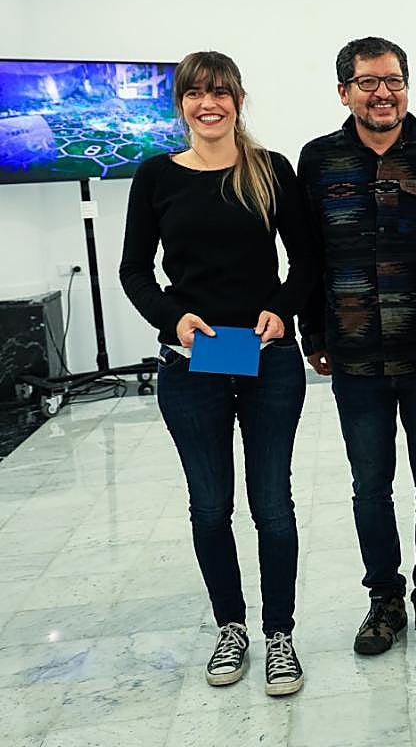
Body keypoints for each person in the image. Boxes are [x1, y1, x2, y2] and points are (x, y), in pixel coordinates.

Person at [119, 50, 315, 696]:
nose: (209, 104)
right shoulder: (155, 175)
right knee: (209, 507)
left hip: (267, 360)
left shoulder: (270, 170)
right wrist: (172, 319)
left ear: (238, 98)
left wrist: (282, 310)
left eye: (220, 91)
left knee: (273, 506)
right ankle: (231, 627)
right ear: (180, 104)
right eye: (196, 93)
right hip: (191, 364)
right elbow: (134, 270)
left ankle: (279, 635)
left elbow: (307, 262)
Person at [296, 36, 416, 656]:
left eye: (394, 80)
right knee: (370, 487)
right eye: (368, 82)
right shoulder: (318, 160)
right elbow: (308, 255)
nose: (383, 93)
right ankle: (384, 600)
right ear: (343, 91)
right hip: (353, 357)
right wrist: (312, 332)